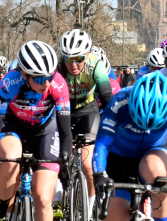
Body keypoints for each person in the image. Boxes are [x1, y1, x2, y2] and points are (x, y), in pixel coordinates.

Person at [93, 72, 167, 221]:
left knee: (156, 170)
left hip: (155, 152)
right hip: (119, 158)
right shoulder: (119, 102)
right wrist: (99, 174)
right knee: (116, 216)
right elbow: (102, 144)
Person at [0, 40, 72, 221]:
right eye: (39, 78)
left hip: (45, 130)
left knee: (42, 198)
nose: (46, 83)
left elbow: (65, 130)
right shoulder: (10, 82)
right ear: (24, 73)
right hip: (13, 126)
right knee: (10, 158)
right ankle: (2, 212)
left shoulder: (58, 84)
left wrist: (65, 158)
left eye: (49, 76)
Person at [57, 29, 113, 213]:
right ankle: (58, 198)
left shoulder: (96, 65)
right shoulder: (58, 67)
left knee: (88, 165)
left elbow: (106, 99)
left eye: (78, 58)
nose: (73, 64)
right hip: (63, 109)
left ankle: (88, 211)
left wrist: (111, 126)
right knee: (58, 157)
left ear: (87, 55)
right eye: (68, 59)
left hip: (87, 110)